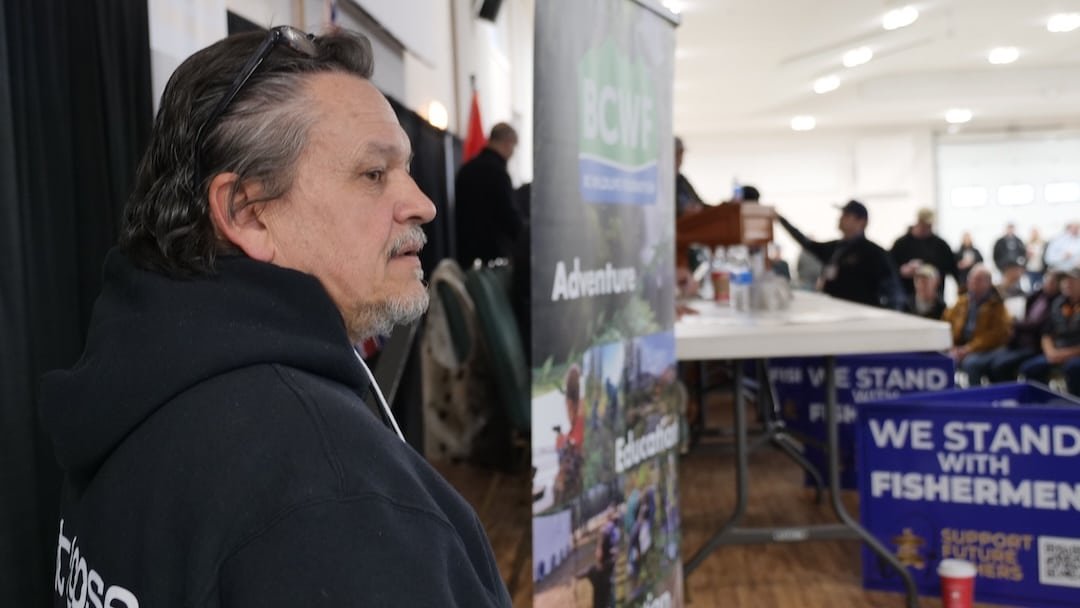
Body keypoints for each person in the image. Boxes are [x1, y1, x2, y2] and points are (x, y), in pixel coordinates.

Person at [39, 27, 511, 607]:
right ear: (247, 212)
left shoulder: (126, 385)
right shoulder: (330, 495)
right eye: (373, 174)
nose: (423, 203)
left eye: (408, 169)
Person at [775, 200, 903, 309]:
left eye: (847, 215)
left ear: (861, 222)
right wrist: (781, 220)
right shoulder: (835, 248)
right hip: (834, 309)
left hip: (861, 314)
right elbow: (806, 243)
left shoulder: (874, 252)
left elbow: (892, 290)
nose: (840, 218)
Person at [455, 122, 523, 267]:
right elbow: (508, 216)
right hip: (493, 261)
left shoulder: (466, 169)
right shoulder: (499, 173)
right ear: (507, 143)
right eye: (513, 147)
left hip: (465, 257)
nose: (512, 153)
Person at [986, 270, 1062, 382]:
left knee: (1001, 366)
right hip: (1019, 341)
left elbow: (1037, 325)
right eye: (1047, 281)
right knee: (992, 362)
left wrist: (1014, 323)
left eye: (1052, 282)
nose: (1047, 284)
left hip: (1034, 345)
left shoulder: (1057, 303)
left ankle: (1010, 396)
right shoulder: (1037, 296)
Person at [942, 264, 1011, 384]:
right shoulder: (961, 302)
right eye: (971, 279)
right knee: (945, 360)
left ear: (988, 283)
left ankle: (976, 398)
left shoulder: (997, 305)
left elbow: (995, 336)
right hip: (962, 346)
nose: (973, 283)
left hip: (988, 349)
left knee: (971, 364)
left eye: (978, 280)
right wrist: (952, 346)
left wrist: (969, 349)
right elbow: (947, 324)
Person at [1019, 267, 1080, 395]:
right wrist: (1051, 352)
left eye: (1073, 281)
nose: (1068, 284)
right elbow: (1047, 333)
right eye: (1066, 280)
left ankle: (1075, 408)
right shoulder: (1059, 303)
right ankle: (1043, 405)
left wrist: (1064, 354)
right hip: (1057, 352)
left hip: (1074, 353)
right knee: (1029, 368)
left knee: (1073, 368)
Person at [891, 208, 958, 301]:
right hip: (907, 299)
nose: (927, 228)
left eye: (929, 225)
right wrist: (902, 271)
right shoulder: (901, 244)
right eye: (924, 224)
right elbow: (890, 269)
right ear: (918, 222)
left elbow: (953, 268)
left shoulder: (941, 245)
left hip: (935, 302)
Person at [674, 136, 704, 218]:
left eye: (681, 155)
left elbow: (701, 204)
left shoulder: (682, 179)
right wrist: (683, 211)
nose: (680, 160)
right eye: (677, 155)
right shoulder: (661, 182)